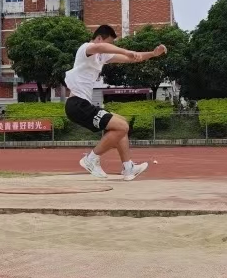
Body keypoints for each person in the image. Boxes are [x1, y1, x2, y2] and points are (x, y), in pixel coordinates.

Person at [64, 24, 167, 180]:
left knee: (121, 123)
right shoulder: (85, 48)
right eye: (110, 43)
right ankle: (91, 159)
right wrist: (125, 50)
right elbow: (103, 48)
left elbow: (131, 58)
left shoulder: (102, 57)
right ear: (99, 38)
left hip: (83, 105)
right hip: (76, 104)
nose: (110, 47)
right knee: (122, 127)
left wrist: (153, 54)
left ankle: (128, 168)